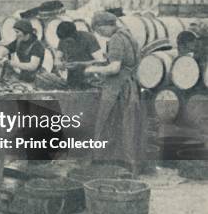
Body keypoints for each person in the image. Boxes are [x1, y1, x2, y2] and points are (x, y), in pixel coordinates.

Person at [84, 11, 144, 175]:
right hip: (129, 86)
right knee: (127, 128)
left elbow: (114, 67)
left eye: (99, 30)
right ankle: (127, 167)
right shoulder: (128, 36)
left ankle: (107, 167)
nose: (100, 34)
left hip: (117, 89)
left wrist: (92, 69)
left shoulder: (116, 39)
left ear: (105, 25)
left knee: (108, 125)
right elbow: (125, 62)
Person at [55, 21, 105, 88]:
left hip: (90, 77)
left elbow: (100, 61)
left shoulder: (89, 38)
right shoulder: (63, 38)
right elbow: (57, 58)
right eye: (64, 41)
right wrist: (59, 64)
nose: (67, 44)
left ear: (74, 34)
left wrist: (80, 64)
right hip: (72, 77)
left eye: (68, 41)